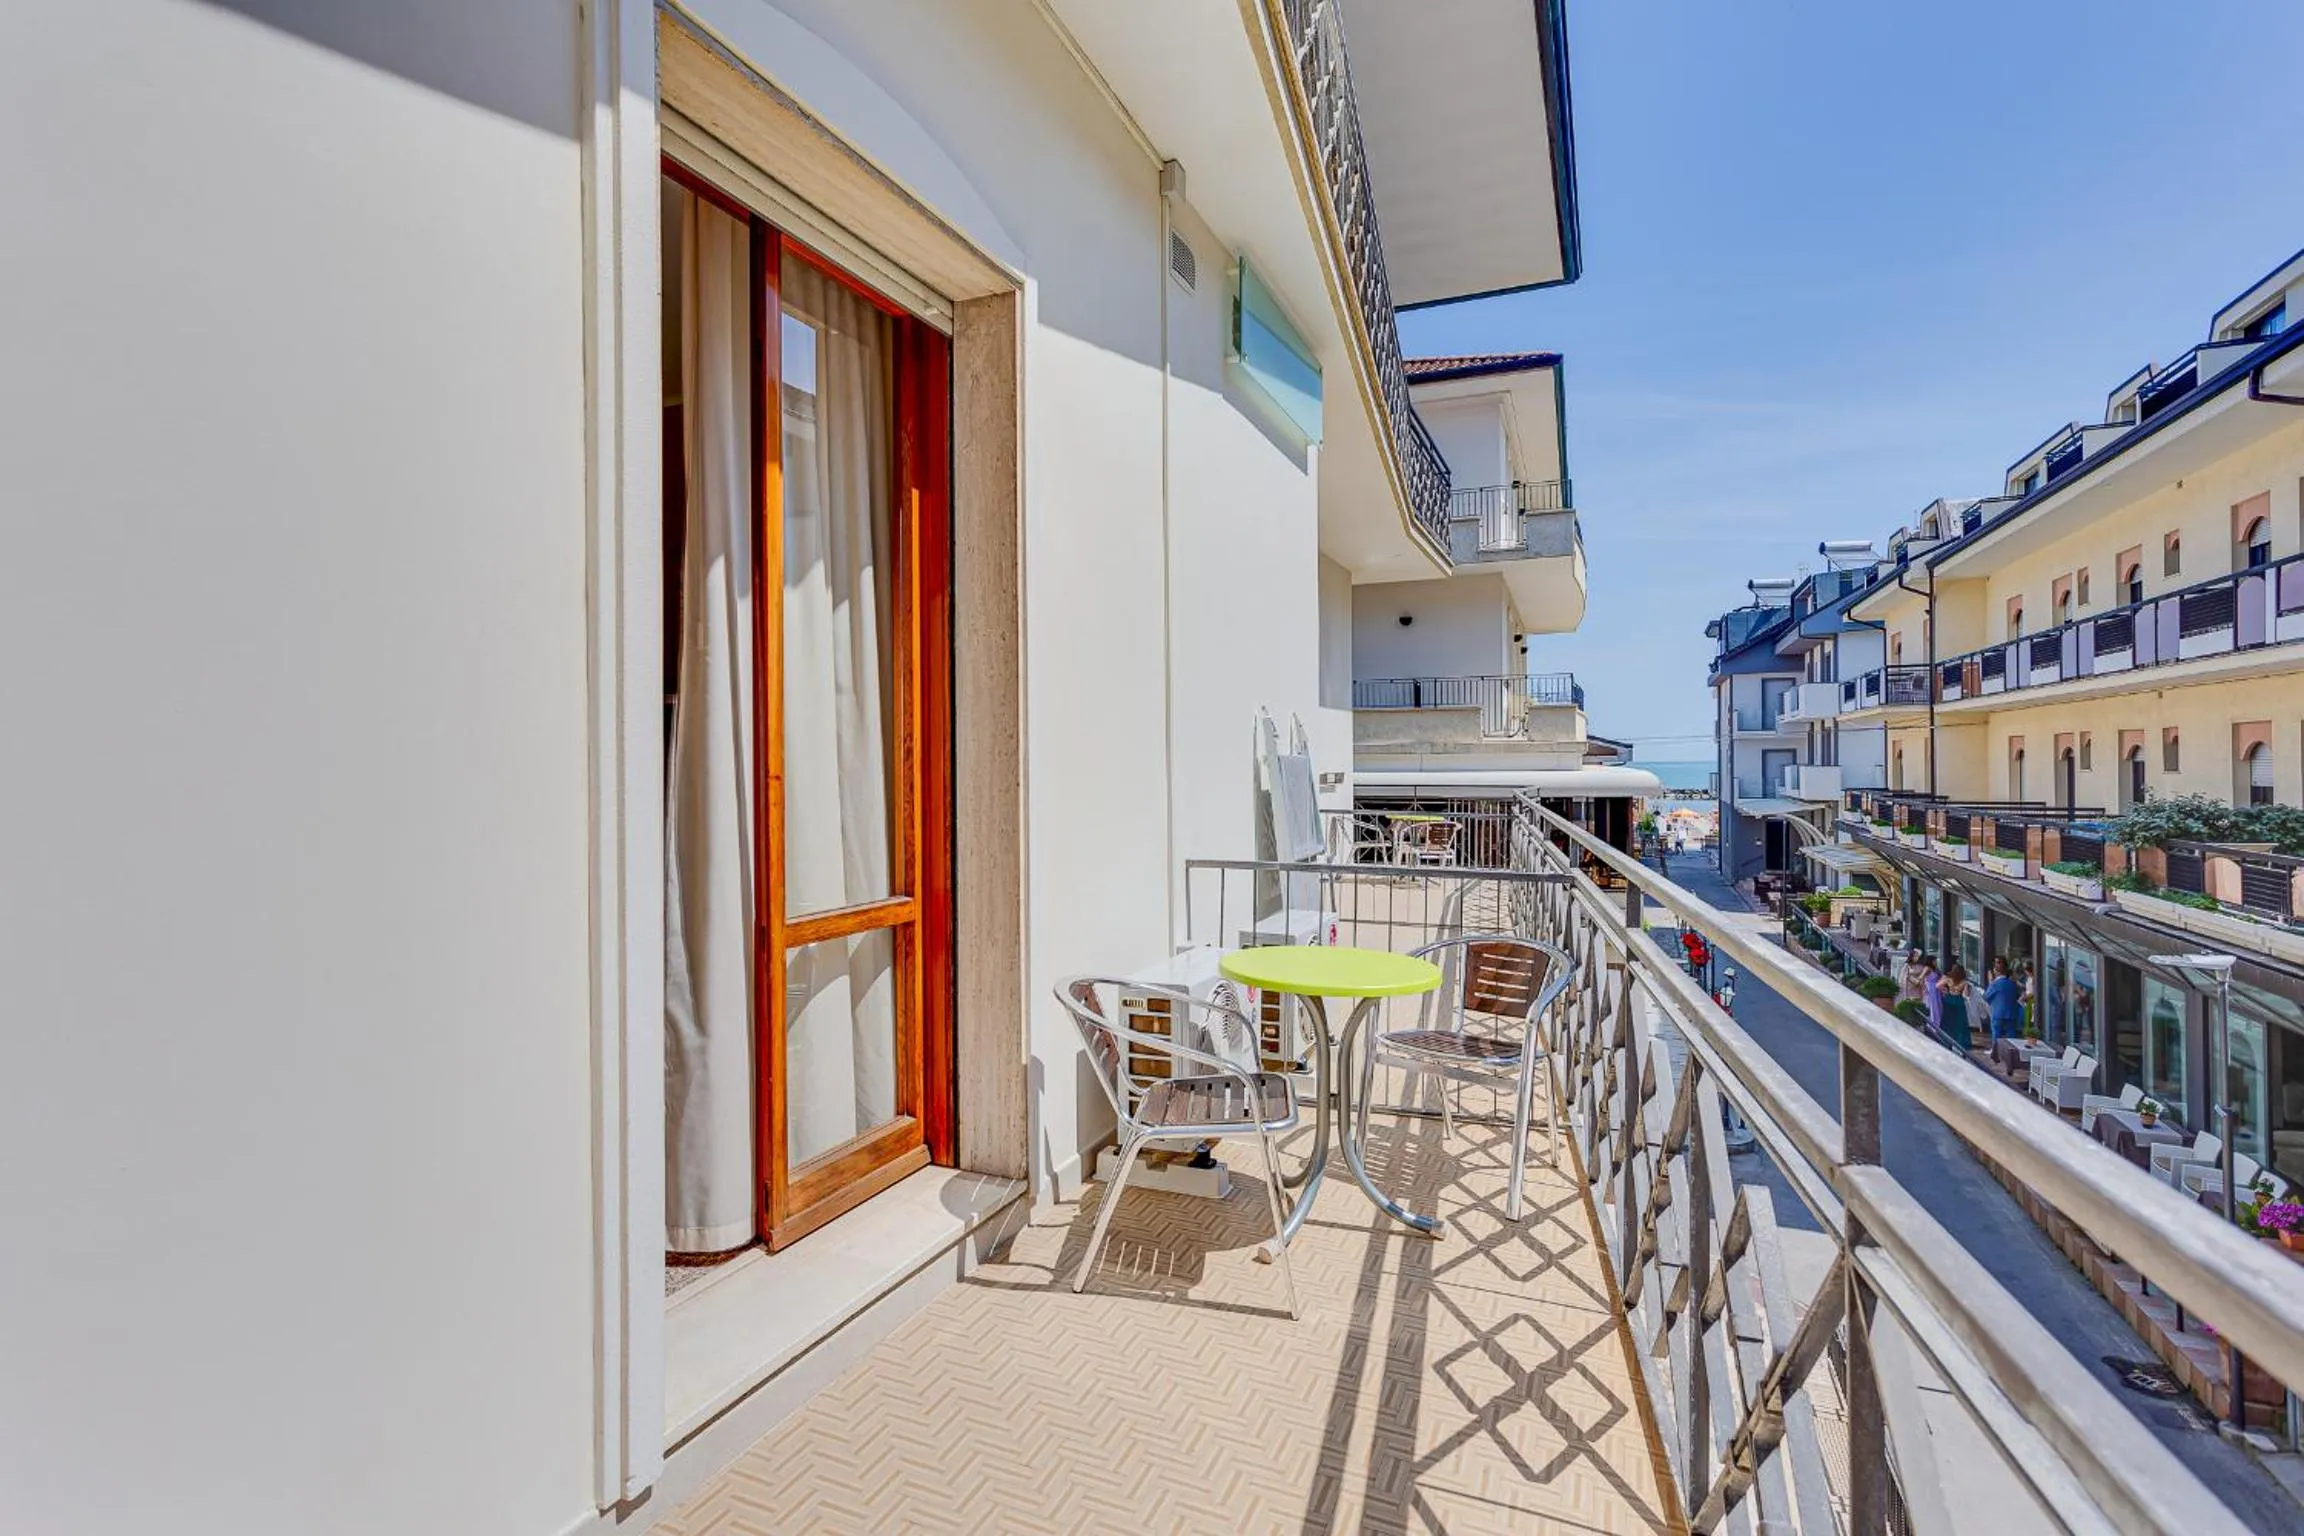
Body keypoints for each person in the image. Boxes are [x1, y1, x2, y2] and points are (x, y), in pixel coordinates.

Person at [1983, 957, 2023, 1046]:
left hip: (1998, 1013)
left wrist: (1990, 981)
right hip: (2012, 1013)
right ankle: (2011, 1053)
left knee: (1996, 1034)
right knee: (2011, 1036)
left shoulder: (1995, 983)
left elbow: (1986, 996)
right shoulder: (2012, 984)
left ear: (1995, 971)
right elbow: (2017, 996)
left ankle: (1996, 1052)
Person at [1939, 963, 1975, 1052]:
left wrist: (1945, 991)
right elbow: (1966, 994)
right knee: (1960, 1023)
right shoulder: (1965, 982)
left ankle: (1946, 1040)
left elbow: (1938, 985)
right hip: (1959, 1001)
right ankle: (1961, 1043)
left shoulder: (1948, 979)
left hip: (1949, 1000)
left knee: (1947, 1021)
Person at [1920, 955, 1944, 1038]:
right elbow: (1921, 978)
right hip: (1930, 989)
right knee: (1932, 1007)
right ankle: (1931, 1027)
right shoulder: (1927, 968)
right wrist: (1924, 988)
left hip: (1936, 989)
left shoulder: (1936, 969)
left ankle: (1937, 1027)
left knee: (1938, 1007)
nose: (1935, 962)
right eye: (1934, 960)